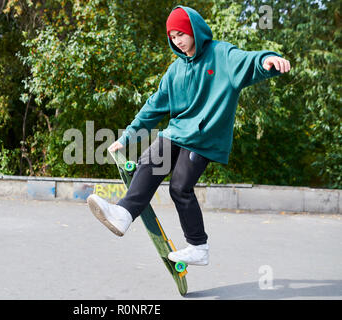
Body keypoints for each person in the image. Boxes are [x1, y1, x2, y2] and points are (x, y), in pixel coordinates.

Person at [87, 6, 291, 266]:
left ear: (194, 30)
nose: (177, 41)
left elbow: (248, 61)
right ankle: (124, 213)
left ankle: (198, 247)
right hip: (178, 132)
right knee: (151, 159)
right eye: (172, 36)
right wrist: (128, 136)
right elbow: (153, 106)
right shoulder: (174, 71)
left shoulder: (220, 54)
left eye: (181, 34)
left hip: (205, 138)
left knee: (179, 187)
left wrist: (267, 61)